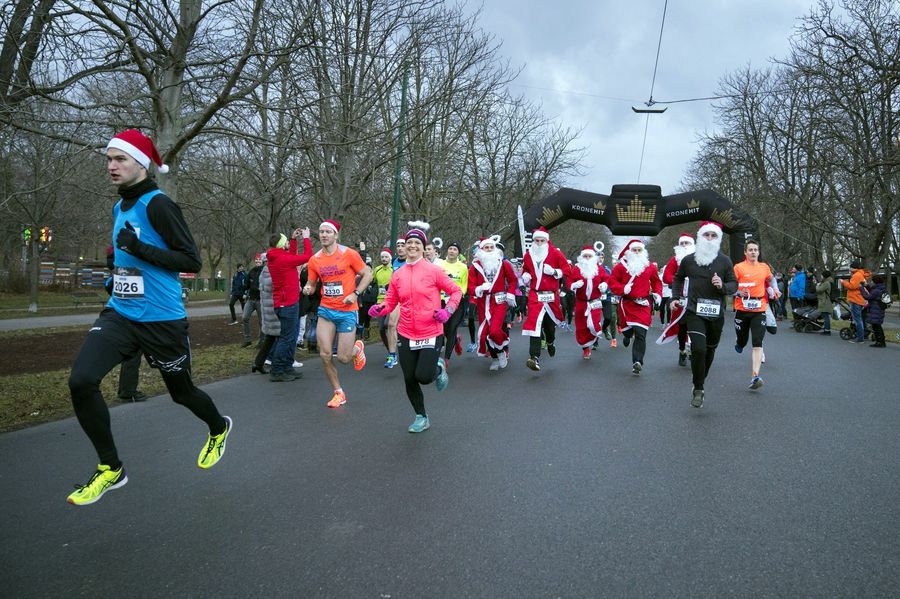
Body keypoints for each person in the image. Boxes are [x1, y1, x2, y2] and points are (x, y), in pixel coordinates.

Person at [66, 129, 231, 506]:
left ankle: (218, 427)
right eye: (109, 159)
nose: (111, 166)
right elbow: (126, 255)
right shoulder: (118, 208)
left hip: (161, 319)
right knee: (81, 380)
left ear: (141, 164)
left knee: (181, 393)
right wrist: (116, 273)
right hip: (121, 314)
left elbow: (191, 261)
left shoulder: (159, 205)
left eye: (120, 159)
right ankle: (110, 468)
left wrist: (138, 248)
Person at [368, 225, 462, 432]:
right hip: (406, 333)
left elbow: (456, 292)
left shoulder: (434, 270)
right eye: (409, 242)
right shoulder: (398, 274)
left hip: (431, 331)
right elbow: (390, 301)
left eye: (417, 243)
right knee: (409, 378)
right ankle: (421, 417)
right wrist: (380, 309)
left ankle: (438, 369)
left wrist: (448, 310)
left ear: (423, 247)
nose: (412, 246)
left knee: (424, 377)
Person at [303, 219, 373, 408]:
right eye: (321, 232)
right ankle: (338, 392)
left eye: (328, 232)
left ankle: (357, 349)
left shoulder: (348, 254)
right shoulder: (315, 259)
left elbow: (368, 274)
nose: (324, 235)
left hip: (347, 311)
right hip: (326, 310)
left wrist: (355, 293)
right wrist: (308, 288)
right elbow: (312, 283)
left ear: (335, 235)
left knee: (343, 358)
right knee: (325, 354)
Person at [668, 222, 737, 408]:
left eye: (713, 236)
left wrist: (722, 286)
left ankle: (699, 380)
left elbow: (734, 285)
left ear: (718, 239)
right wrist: (674, 297)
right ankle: (698, 388)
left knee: (710, 349)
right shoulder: (689, 260)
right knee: (699, 349)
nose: (709, 239)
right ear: (700, 236)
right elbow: (677, 278)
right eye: (706, 235)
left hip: (716, 313)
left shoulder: (724, 261)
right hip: (694, 311)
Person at [607, 239, 662, 375]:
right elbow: (612, 282)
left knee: (641, 333)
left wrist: (658, 293)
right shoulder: (620, 267)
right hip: (627, 304)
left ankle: (637, 361)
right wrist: (622, 288)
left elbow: (656, 281)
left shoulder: (650, 266)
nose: (637, 252)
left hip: (643, 304)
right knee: (627, 331)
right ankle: (627, 335)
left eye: (639, 250)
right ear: (629, 252)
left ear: (643, 251)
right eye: (634, 250)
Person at [265, 227, 313, 381]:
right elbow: (307, 256)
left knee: (290, 337)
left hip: (286, 303)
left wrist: (293, 239)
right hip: (287, 304)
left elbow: (291, 256)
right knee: (286, 338)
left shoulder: (278, 257)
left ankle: (287, 366)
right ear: (281, 245)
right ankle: (277, 370)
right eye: (286, 242)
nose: (288, 244)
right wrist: (306, 238)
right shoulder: (282, 259)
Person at [733, 238, 781, 390]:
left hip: (759, 308)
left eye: (755, 250)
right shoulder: (738, 268)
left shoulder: (764, 267)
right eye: (750, 250)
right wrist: (738, 292)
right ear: (745, 252)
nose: (753, 252)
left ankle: (755, 376)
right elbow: (730, 285)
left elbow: (772, 280)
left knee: (757, 342)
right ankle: (739, 342)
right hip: (742, 308)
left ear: (758, 252)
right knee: (742, 341)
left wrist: (775, 289)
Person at [521, 227, 571, 371]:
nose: (539, 243)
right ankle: (534, 357)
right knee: (534, 324)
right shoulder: (528, 255)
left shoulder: (555, 253)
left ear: (547, 241)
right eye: (536, 241)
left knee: (549, 326)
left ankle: (550, 342)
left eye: (541, 241)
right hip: (535, 295)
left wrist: (555, 272)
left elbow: (567, 270)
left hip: (551, 295)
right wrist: (525, 275)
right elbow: (526, 269)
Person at [468, 235, 518, 370]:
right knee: (484, 334)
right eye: (486, 247)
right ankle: (495, 358)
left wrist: (511, 293)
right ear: (481, 250)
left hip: (499, 301)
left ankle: (501, 351)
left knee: (495, 330)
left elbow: (513, 280)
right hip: (483, 302)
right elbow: (470, 288)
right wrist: (479, 288)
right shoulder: (474, 267)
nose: (489, 249)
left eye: (491, 247)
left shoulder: (503, 264)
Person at [568, 243, 610, 359]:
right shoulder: (577, 269)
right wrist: (574, 285)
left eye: (589, 256)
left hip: (594, 301)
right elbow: (569, 281)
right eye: (585, 256)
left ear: (593, 257)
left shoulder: (598, 268)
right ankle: (586, 348)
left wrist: (604, 285)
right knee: (582, 326)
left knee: (593, 324)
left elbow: (607, 279)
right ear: (581, 257)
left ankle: (595, 336)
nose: (587, 258)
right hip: (581, 302)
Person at [662, 232, 695, 366]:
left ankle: (693, 350)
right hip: (680, 298)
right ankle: (682, 350)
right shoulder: (675, 260)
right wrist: (680, 280)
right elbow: (666, 276)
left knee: (696, 325)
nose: (684, 245)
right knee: (682, 327)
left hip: (695, 298)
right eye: (682, 243)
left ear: (692, 244)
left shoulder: (699, 259)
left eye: (687, 243)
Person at [438, 241, 469, 363]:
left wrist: (458, 295)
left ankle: (446, 359)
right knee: (443, 329)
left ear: (458, 253)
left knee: (452, 328)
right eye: (450, 248)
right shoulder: (440, 264)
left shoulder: (463, 267)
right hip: (441, 300)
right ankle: (455, 340)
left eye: (455, 249)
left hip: (456, 302)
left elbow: (464, 285)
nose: (452, 251)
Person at [252, 253, 278, 374]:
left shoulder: (264, 272)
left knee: (270, 338)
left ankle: (258, 363)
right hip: (272, 309)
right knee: (278, 338)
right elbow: (273, 286)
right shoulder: (269, 272)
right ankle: (277, 365)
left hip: (268, 309)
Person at [841, 260, 870, 344]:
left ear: (853, 268)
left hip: (855, 299)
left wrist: (843, 282)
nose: (849, 269)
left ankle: (860, 338)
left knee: (857, 320)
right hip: (859, 299)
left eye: (850, 267)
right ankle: (863, 335)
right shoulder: (860, 274)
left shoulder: (857, 275)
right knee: (860, 319)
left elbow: (852, 286)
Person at [240, 254, 264, 348]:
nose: (258, 262)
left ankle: (262, 341)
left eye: (259, 260)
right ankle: (247, 340)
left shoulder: (265, 271)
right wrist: (244, 289)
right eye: (256, 260)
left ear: (262, 261)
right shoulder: (252, 271)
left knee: (262, 321)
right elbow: (246, 284)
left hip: (260, 300)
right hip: (250, 299)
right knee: (245, 318)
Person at [860, 274, 887, 347]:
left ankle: (880, 342)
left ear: (875, 282)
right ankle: (881, 342)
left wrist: (861, 288)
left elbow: (867, 297)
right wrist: (866, 286)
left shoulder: (877, 290)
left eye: (873, 281)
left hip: (876, 310)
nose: (872, 282)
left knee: (876, 327)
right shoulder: (881, 288)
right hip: (879, 309)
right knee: (877, 326)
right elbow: (872, 292)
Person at [815, 269, 835, 335]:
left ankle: (827, 330)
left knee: (825, 316)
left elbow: (819, 290)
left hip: (825, 301)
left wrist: (817, 285)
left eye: (822, 275)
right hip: (825, 301)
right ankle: (826, 329)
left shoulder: (826, 283)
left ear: (824, 276)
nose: (821, 276)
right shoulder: (827, 282)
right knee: (825, 316)